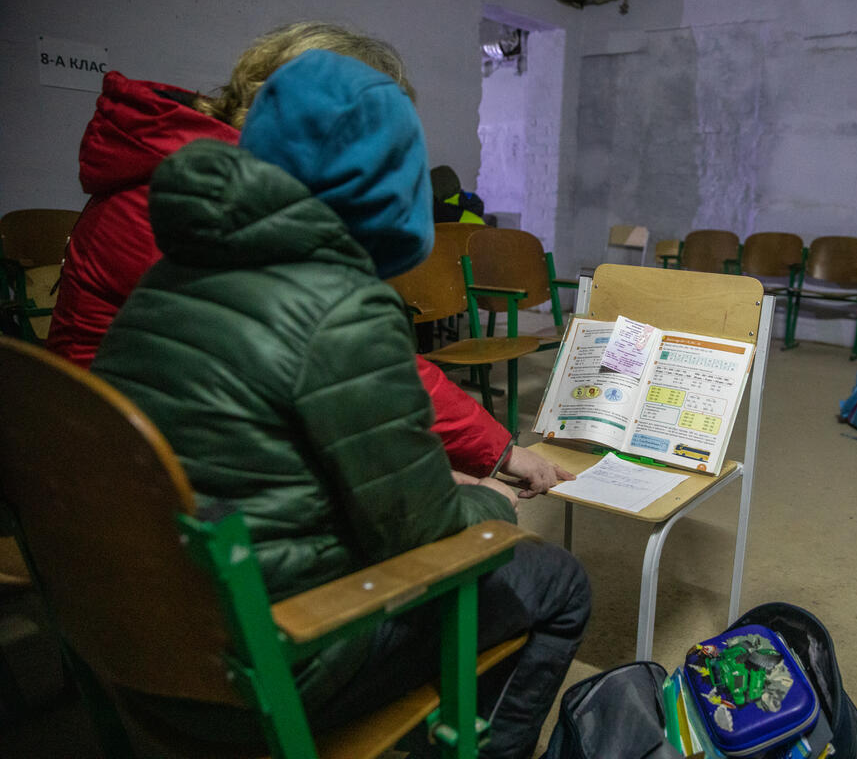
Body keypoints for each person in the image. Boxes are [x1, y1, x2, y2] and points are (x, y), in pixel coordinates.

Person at [90, 49, 590, 757]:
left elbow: (260, 459)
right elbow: (428, 538)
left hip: (139, 646)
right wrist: (491, 509)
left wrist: (440, 479)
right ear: (392, 189)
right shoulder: (344, 308)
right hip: (272, 666)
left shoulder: (168, 276)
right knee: (557, 582)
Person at [46, 21, 568, 491]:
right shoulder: (198, 206)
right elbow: (353, 359)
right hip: (132, 479)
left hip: (153, 441)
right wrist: (483, 459)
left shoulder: (205, 180)